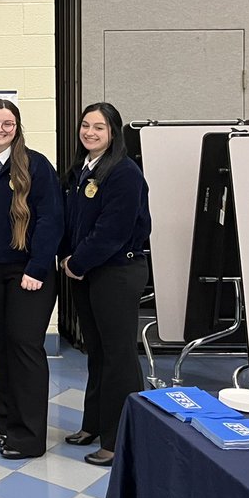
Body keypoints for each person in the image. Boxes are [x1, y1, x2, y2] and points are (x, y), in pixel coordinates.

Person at [0, 99, 63, 459]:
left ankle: (29, 436)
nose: (0, 129)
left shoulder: (36, 166)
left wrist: (38, 268)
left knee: (25, 348)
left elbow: (52, 219)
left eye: (8, 123)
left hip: (29, 273)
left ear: (17, 127)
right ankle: (7, 423)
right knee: (1, 348)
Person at [61, 102, 152, 467]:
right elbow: (74, 223)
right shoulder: (83, 170)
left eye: (99, 127)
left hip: (116, 272)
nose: (90, 133)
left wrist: (77, 263)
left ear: (113, 133)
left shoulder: (124, 173)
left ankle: (119, 441)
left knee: (119, 358)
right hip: (89, 273)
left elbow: (111, 232)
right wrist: (70, 260)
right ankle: (94, 425)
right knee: (96, 352)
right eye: (86, 126)